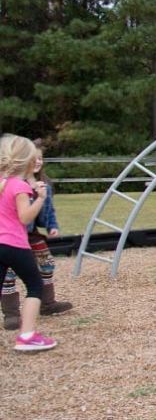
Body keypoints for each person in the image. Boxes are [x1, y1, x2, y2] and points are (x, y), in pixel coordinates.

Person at [2, 146, 73, 330]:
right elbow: (23, 216)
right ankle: (11, 314)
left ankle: (48, 303)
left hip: (29, 235)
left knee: (46, 263)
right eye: (34, 158)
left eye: (41, 158)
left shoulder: (43, 184)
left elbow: (46, 213)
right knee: (13, 274)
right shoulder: (13, 184)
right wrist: (38, 198)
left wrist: (52, 226)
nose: (38, 161)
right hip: (13, 237)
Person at [0, 134, 58, 351]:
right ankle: (27, 336)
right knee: (35, 287)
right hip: (15, 246)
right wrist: (41, 198)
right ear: (27, 162)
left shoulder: (2, 183)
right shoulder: (19, 187)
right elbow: (25, 218)